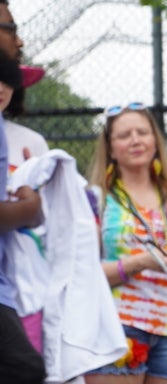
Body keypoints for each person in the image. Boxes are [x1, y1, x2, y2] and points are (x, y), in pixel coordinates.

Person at [84, 103, 167, 384]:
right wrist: (142, 262)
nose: (136, 140)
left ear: (155, 142)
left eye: (143, 132)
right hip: (117, 326)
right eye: (125, 135)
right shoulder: (96, 198)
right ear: (111, 148)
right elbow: (83, 274)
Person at [0, 54, 46, 384]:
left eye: (7, 78)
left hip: (21, 279)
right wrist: (26, 208)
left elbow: (46, 214)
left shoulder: (29, 140)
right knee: (24, 367)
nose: (2, 88)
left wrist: (34, 203)